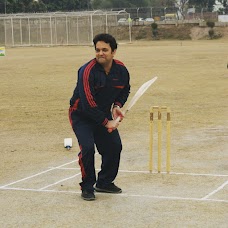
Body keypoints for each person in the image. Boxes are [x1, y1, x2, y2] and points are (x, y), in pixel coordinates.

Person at [69, 33, 131, 201]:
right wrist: (107, 123)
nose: (100, 53)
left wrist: (117, 106)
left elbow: (125, 89)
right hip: (81, 115)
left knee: (114, 147)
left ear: (114, 51)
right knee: (88, 148)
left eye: (105, 50)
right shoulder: (86, 71)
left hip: (103, 113)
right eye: (97, 50)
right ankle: (87, 186)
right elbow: (88, 104)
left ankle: (104, 182)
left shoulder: (121, 70)